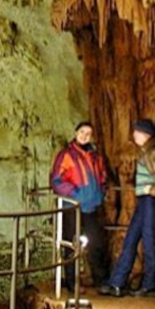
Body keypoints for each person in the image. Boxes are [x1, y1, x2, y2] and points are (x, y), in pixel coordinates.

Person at [100, 119, 155, 297]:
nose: (134, 134)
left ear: (146, 134)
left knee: (149, 240)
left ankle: (151, 284)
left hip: (151, 200)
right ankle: (117, 283)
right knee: (131, 238)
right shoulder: (145, 152)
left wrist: (153, 190)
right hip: (143, 201)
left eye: (137, 132)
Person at [50, 121, 110, 291]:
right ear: (76, 133)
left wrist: (101, 192)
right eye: (82, 132)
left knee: (96, 243)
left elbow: (103, 175)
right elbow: (57, 180)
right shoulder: (66, 155)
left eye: (88, 133)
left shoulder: (95, 156)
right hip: (72, 206)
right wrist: (75, 194)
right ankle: (72, 283)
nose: (84, 136)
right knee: (71, 243)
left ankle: (100, 280)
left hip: (92, 206)